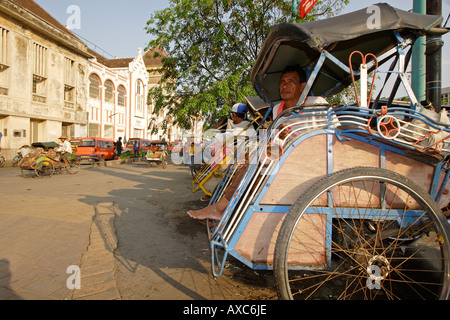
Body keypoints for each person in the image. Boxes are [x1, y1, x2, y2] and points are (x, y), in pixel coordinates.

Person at [187, 65, 326, 221]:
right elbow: (274, 140)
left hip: (309, 159)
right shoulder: (277, 109)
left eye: (291, 81)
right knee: (250, 161)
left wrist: (297, 135)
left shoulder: (316, 104)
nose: (284, 86)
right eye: (282, 82)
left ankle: (221, 209)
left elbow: (332, 135)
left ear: (302, 86)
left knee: (256, 162)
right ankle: (228, 212)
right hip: (281, 157)